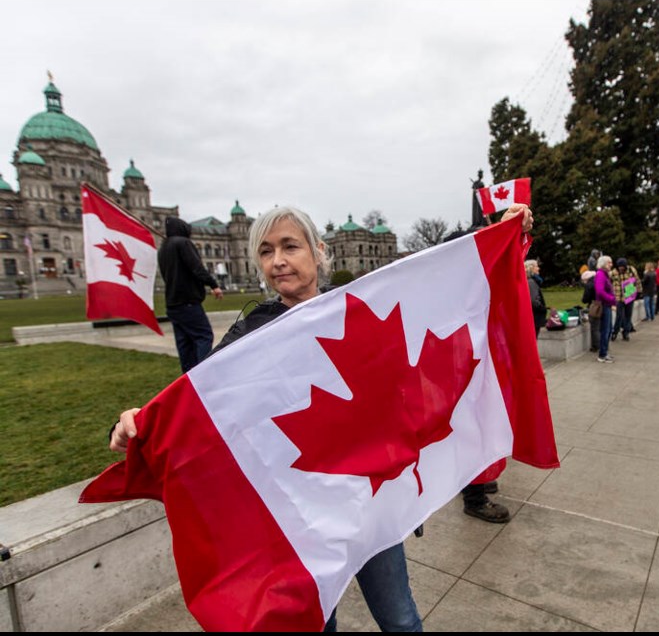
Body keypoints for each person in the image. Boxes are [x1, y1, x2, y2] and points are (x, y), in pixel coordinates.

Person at [110, 204, 534, 629]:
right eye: (266, 250)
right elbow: (199, 400)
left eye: (290, 246)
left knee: (401, 619)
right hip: (307, 515)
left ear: (318, 251)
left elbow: (438, 290)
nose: (278, 260)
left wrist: (496, 232)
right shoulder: (251, 333)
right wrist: (137, 420)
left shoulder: (357, 308)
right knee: (317, 622)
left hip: (369, 499)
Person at [158, 216, 223, 373]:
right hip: (187, 300)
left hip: (172, 303)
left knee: (184, 342)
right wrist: (213, 284)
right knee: (203, 336)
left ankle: (188, 375)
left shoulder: (163, 248)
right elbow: (196, 268)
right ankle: (204, 372)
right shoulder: (183, 243)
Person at [609, 258, 639, 340]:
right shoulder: (613, 272)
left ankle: (626, 333)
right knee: (619, 316)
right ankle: (615, 332)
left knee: (628, 315)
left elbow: (637, 280)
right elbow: (608, 282)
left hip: (629, 294)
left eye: (622, 266)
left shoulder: (631, 270)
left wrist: (639, 291)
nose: (620, 268)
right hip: (618, 296)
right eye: (619, 266)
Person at [594, 255, 616, 362]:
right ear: (603, 263)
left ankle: (604, 352)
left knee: (608, 329)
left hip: (607, 305)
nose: (611, 265)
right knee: (605, 330)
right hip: (604, 305)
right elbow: (600, 291)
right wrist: (611, 299)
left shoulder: (604, 274)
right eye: (609, 262)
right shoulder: (601, 275)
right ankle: (602, 354)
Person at [526, 259, 547, 338]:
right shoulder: (531, 282)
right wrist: (543, 308)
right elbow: (533, 301)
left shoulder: (531, 281)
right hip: (535, 318)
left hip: (534, 317)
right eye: (536, 266)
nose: (538, 268)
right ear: (531, 268)